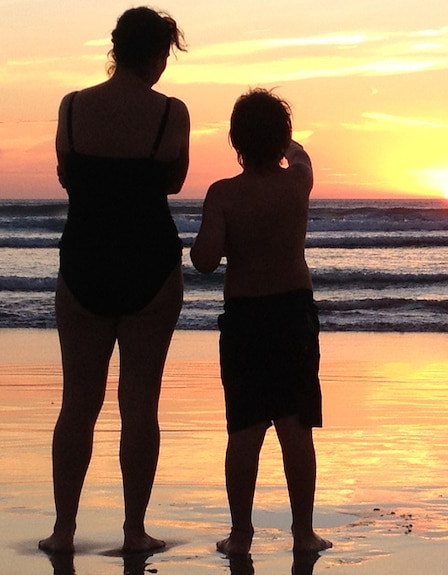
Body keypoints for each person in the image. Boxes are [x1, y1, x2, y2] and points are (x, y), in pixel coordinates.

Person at [39, 7, 190, 555]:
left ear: (114, 48)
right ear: (156, 54)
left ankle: (63, 530)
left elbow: (65, 173)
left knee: (77, 400)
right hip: (150, 263)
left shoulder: (74, 107)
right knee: (140, 402)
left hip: (83, 261)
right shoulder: (170, 112)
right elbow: (173, 181)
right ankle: (132, 530)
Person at [191, 88, 332, 555]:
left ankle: (240, 535)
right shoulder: (297, 183)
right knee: (296, 428)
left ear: (235, 140)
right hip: (293, 313)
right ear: (283, 138)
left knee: (245, 431)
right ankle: (303, 532)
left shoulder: (224, 193)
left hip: (246, 318)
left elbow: (207, 260)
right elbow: (303, 157)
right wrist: (289, 145)